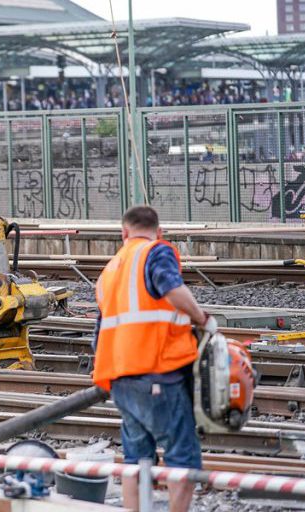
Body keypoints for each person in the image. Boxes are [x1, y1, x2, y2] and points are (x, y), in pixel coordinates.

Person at [92, 205, 214, 512]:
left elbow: (100, 333)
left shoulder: (109, 270)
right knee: (181, 458)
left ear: (123, 233)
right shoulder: (155, 252)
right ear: (158, 233)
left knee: (136, 461)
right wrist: (201, 318)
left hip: (121, 381)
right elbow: (172, 289)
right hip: (159, 373)